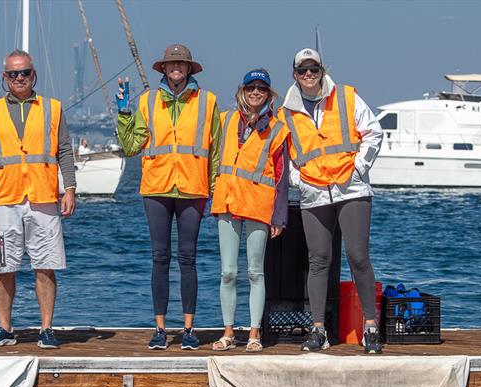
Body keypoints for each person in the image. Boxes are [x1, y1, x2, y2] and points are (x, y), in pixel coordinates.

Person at [278, 48, 384, 354]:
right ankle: (319, 330)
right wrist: (300, 180)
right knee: (319, 259)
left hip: (351, 189)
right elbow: (283, 156)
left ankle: (371, 328)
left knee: (357, 255)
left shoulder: (346, 96)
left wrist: (359, 168)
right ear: (294, 74)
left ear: (322, 70)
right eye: (302, 71)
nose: (309, 75)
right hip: (313, 191)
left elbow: (373, 132)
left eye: (314, 70)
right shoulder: (286, 111)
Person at [116, 44, 221, 350]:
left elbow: (214, 149)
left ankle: (189, 329)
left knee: (187, 259)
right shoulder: (147, 101)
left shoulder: (208, 101)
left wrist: (214, 189)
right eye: (171, 63)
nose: (176, 67)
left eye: (182, 63)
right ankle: (160, 329)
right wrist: (124, 113)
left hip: (193, 188)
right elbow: (131, 146)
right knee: (160, 258)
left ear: (189, 68)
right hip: (157, 187)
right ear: (163, 68)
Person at [0, 49, 76, 349]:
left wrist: (69, 187)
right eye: (13, 74)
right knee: (4, 266)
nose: (19, 78)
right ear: (4, 77)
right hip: (5, 197)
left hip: (43, 196)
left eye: (25, 73)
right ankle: (5, 328)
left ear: (34, 75)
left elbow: (65, 150)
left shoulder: (53, 108)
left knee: (46, 265)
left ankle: (46, 329)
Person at [210, 69, 290, 353]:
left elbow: (282, 176)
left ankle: (255, 333)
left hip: (258, 204)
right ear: (242, 91)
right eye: (251, 87)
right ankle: (229, 332)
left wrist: (279, 216)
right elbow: (213, 156)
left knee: (255, 272)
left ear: (269, 94)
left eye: (262, 88)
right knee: (228, 272)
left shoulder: (278, 129)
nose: (256, 92)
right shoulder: (227, 119)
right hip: (228, 202)